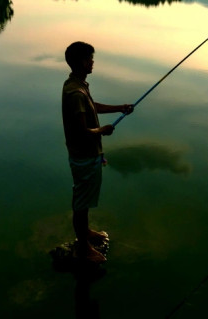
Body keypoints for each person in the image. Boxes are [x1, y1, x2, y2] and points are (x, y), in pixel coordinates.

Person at [62, 41, 134, 264]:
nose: (93, 62)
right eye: (90, 58)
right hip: (84, 156)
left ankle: (86, 233)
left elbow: (93, 106)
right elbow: (83, 131)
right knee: (81, 203)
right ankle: (82, 247)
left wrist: (120, 107)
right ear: (82, 62)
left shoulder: (78, 84)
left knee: (84, 199)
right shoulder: (75, 92)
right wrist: (102, 130)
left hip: (88, 154)